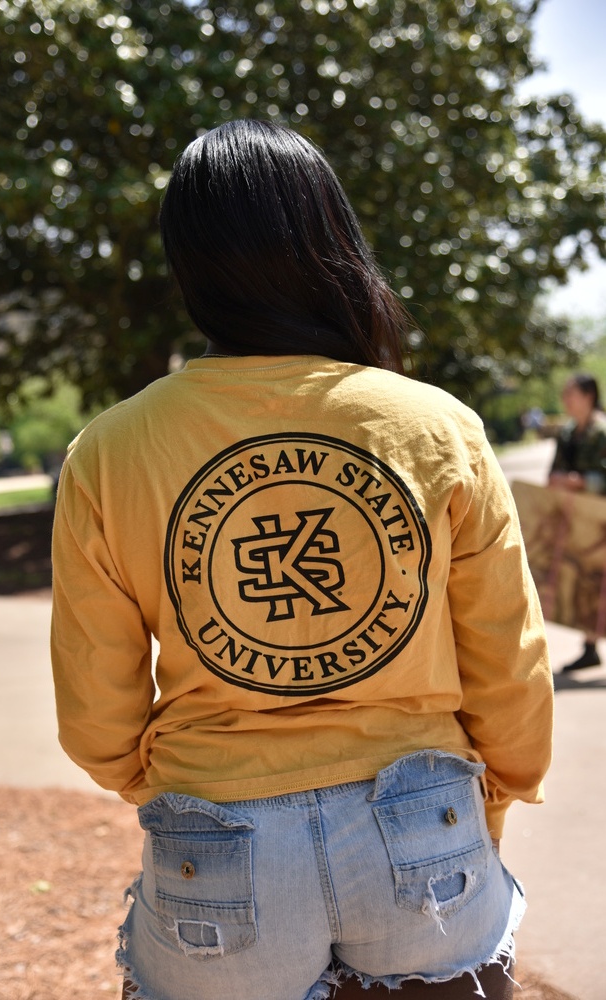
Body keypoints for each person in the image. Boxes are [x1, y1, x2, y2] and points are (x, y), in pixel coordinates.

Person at [50, 120, 553, 1000]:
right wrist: (494, 799)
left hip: (216, 839)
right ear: (334, 243)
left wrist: (181, 784)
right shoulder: (435, 426)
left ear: (188, 263)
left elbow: (96, 709)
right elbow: (507, 659)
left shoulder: (110, 449)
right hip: (421, 825)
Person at [548, 373, 606, 672]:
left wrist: (581, 481)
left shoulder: (602, 432)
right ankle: (590, 647)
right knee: (588, 583)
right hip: (580, 521)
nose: (566, 400)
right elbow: (555, 471)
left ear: (588, 396)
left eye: (571, 394)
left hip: (601, 519)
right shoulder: (568, 433)